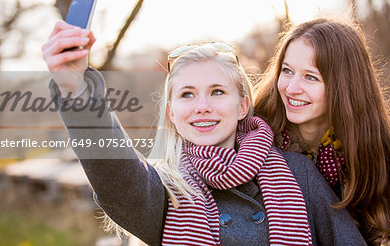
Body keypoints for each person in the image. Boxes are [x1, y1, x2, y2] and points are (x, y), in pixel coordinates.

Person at [42, 21, 366, 245]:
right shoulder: (165, 189)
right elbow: (113, 172)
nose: (202, 106)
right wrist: (76, 91)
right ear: (171, 114)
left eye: (216, 92)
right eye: (187, 94)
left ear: (242, 106)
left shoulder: (298, 172)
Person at [254, 18, 390, 245]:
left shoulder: (367, 141)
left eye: (310, 77)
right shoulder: (257, 134)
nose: (291, 88)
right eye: (287, 71)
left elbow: (379, 229)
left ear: (344, 84)